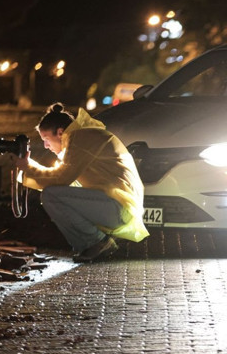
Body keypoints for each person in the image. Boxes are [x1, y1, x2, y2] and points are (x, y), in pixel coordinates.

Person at [10, 103, 149, 262]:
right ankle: (93, 244)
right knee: (54, 193)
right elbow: (62, 181)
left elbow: (60, 179)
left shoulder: (81, 139)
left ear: (60, 132)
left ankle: (97, 243)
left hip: (118, 208)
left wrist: (27, 167)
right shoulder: (82, 138)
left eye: (46, 139)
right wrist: (27, 168)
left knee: (51, 196)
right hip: (115, 206)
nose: (46, 146)